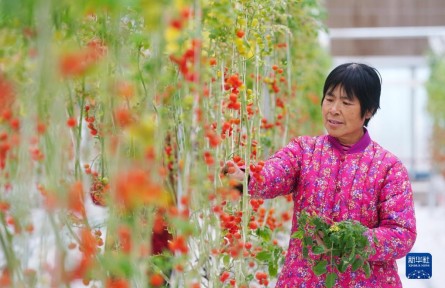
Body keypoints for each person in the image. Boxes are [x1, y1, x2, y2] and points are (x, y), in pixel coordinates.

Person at [225, 63, 417, 287]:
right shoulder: (305, 150)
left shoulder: (388, 168)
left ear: (369, 111)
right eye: (329, 99)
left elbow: (402, 234)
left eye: (346, 102)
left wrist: (354, 241)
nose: (334, 109)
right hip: (303, 279)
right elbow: (274, 173)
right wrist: (245, 178)